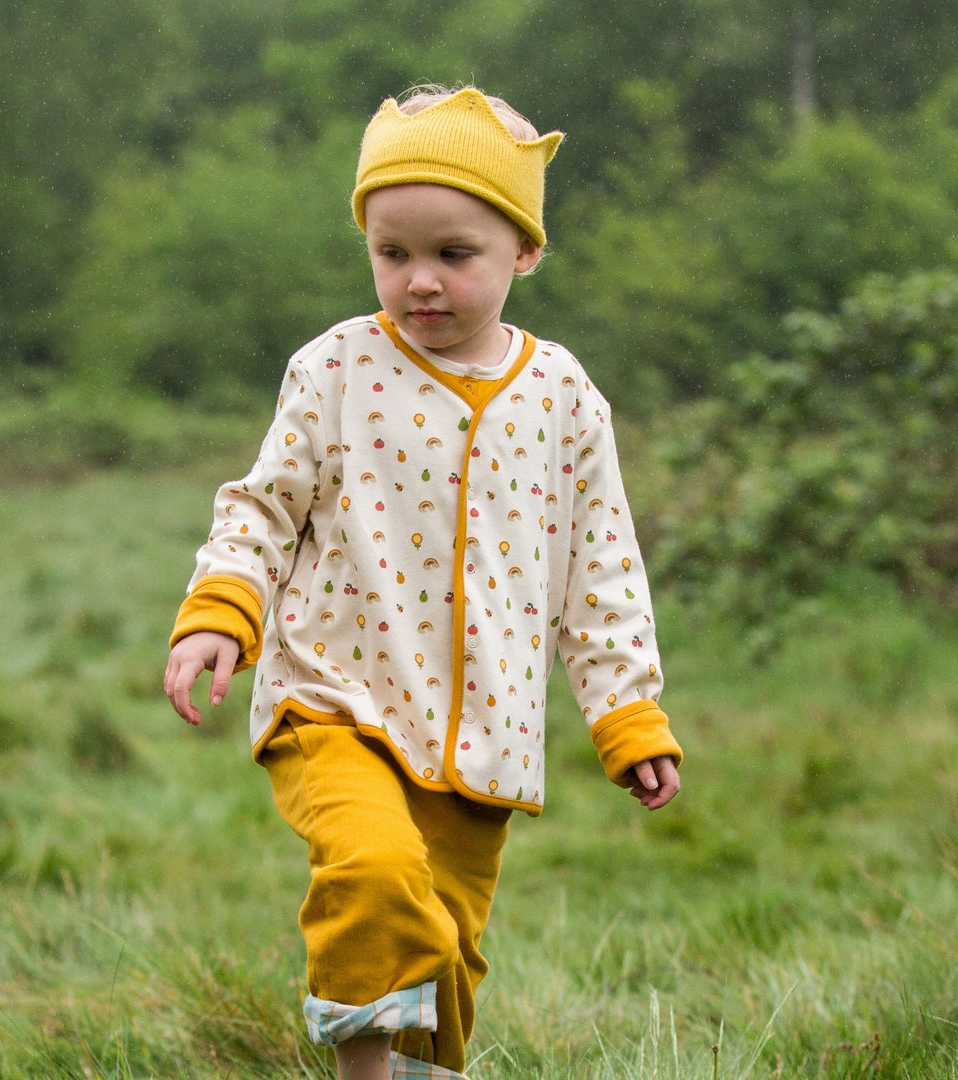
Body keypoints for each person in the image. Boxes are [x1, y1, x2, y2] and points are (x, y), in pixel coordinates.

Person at [164, 84, 683, 1080]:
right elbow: (262, 506)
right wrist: (221, 611)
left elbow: (602, 568)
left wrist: (628, 715)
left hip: (485, 737)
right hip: (333, 702)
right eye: (391, 253)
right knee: (371, 876)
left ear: (524, 251)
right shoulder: (335, 370)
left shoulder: (565, 398)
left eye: (454, 255)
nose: (420, 282)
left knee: (447, 961)